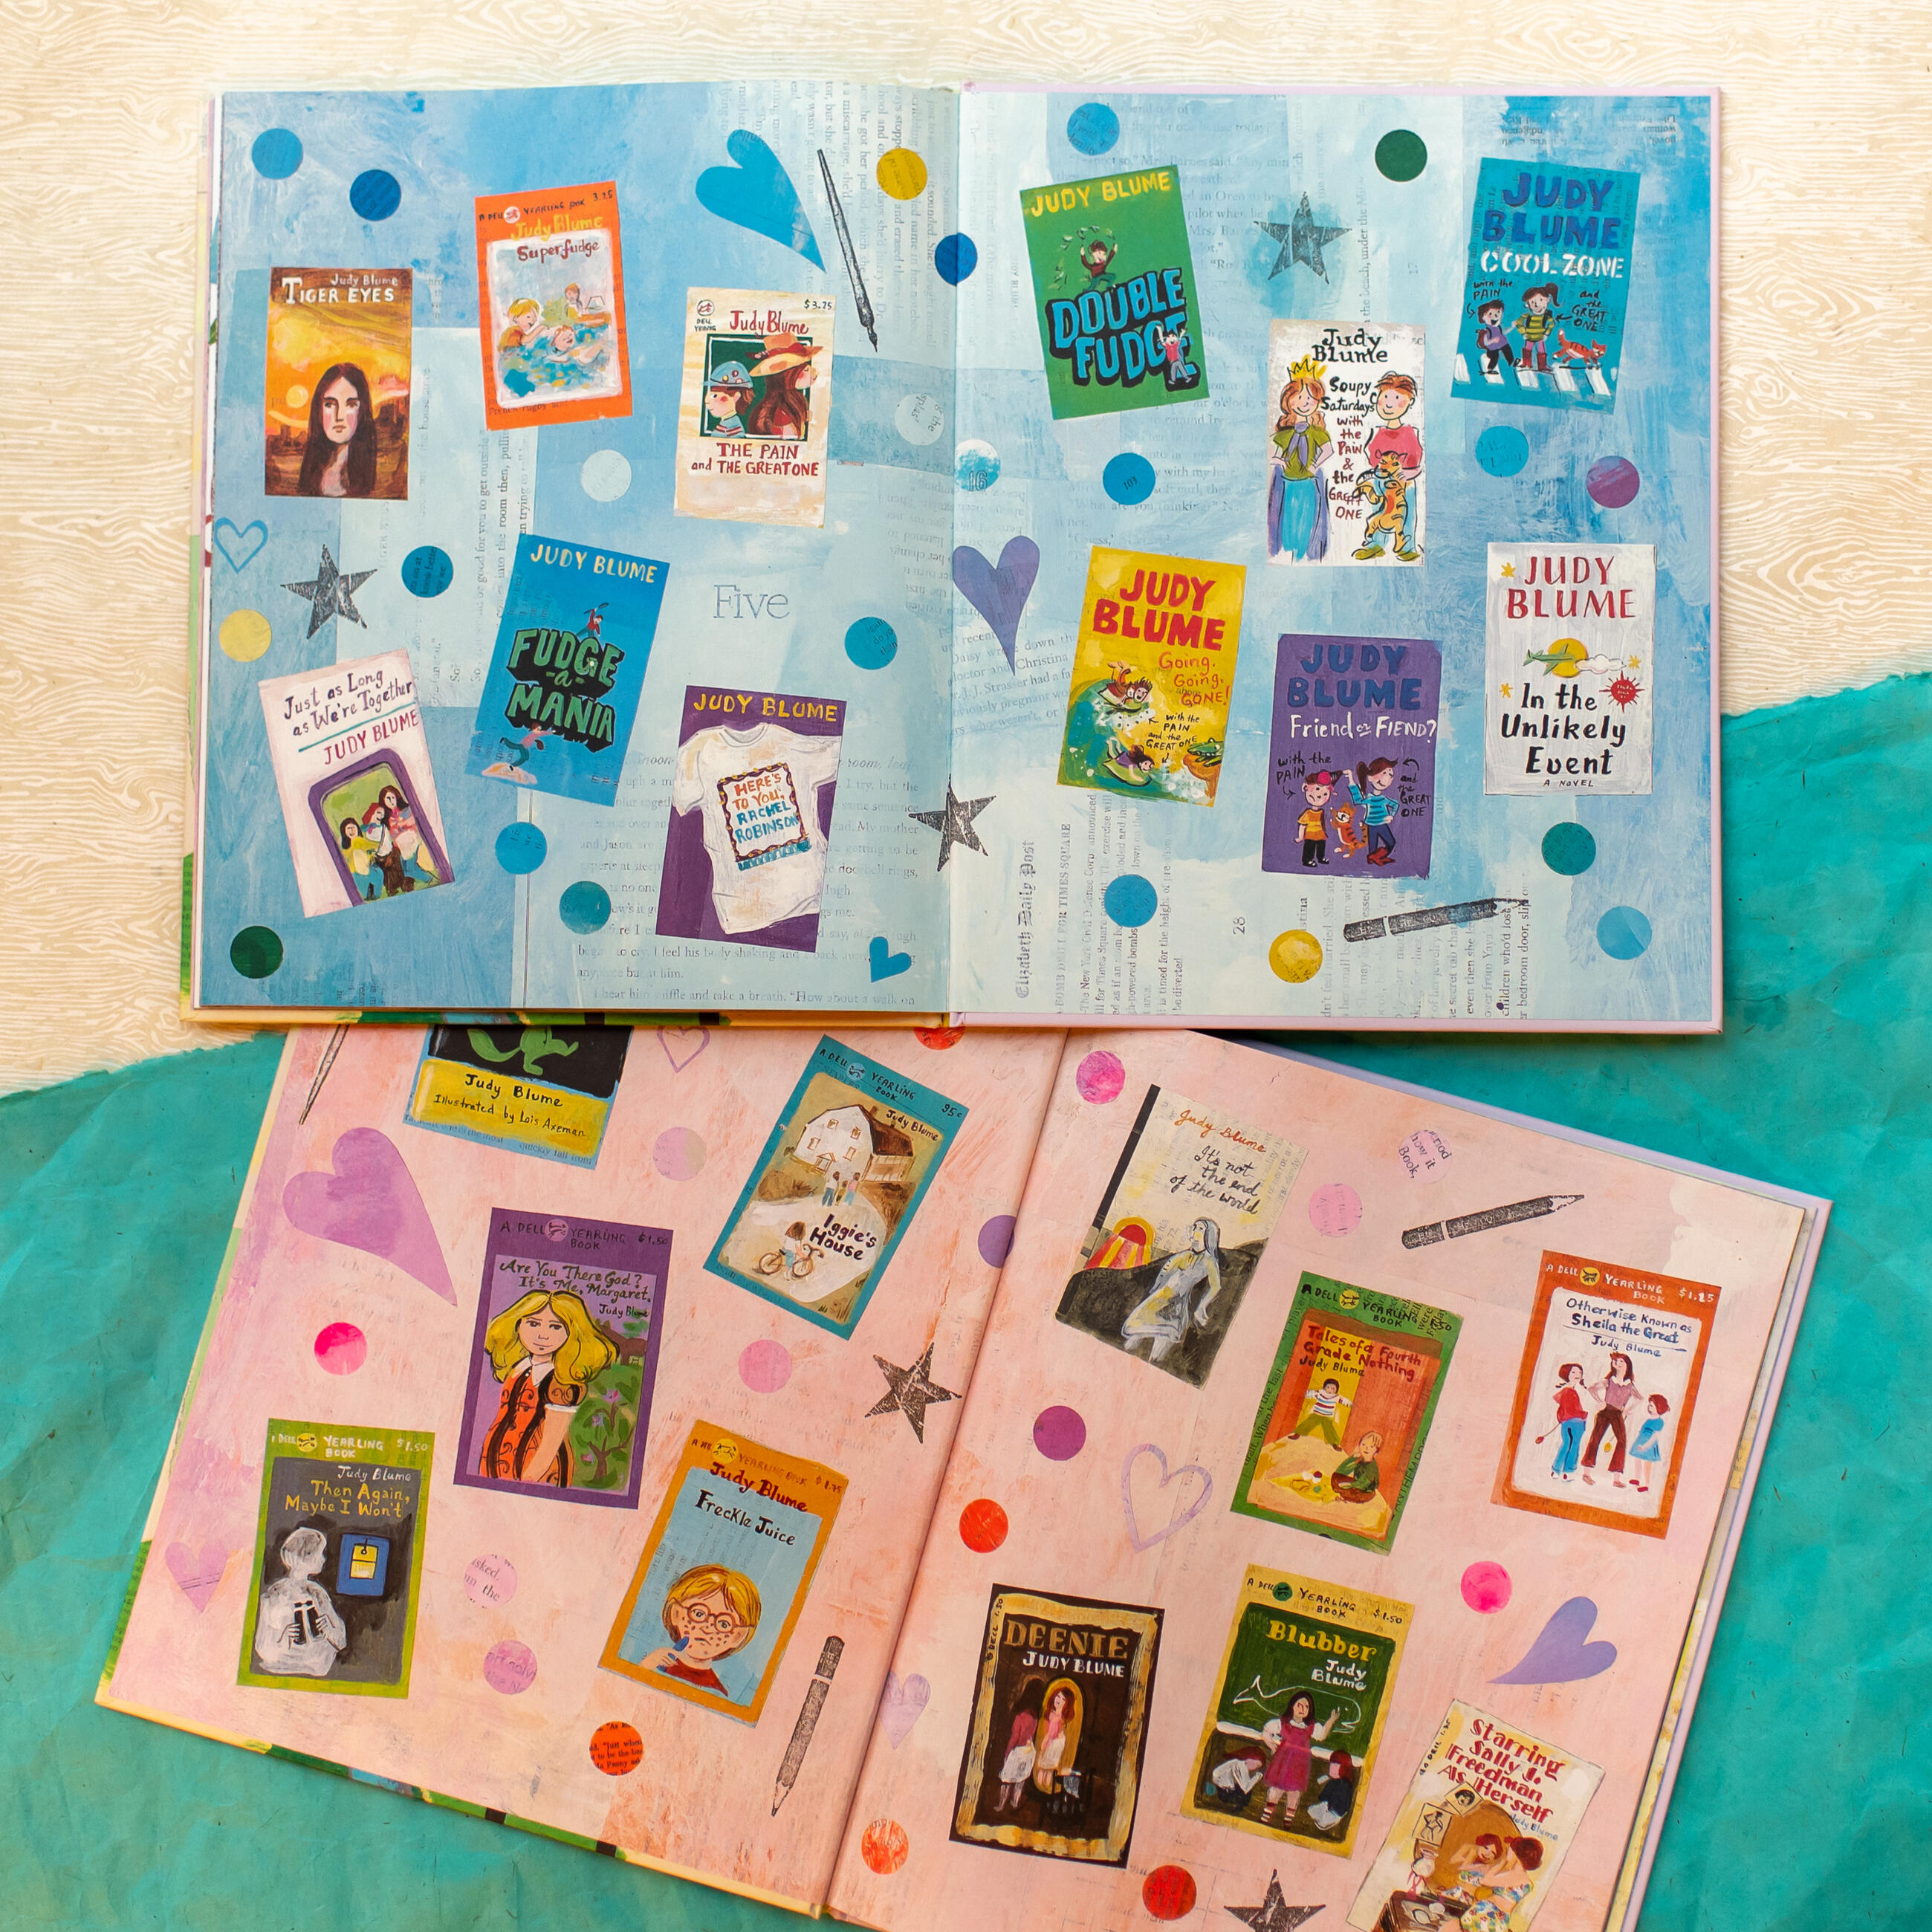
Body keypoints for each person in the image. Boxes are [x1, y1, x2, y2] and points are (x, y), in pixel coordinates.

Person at [477, 1288, 618, 1487]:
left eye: (555, 1327)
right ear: (518, 1325)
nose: (543, 1335)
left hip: (535, 1471)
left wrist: (528, 1480)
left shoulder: (562, 1384)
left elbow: (551, 1444)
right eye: (533, 1324)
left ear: (572, 1334)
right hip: (497, 1460)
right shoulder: (518, 1370)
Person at [630, 1563, 761, 1693]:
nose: (707, 1628)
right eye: (698, 1614)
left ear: (738, 1636)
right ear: (676, 1614)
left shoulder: (716, 1691)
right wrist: (646, 1666)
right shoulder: (656, 1663)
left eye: (723, 1624)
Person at [1121, 1219, 1223, 1364]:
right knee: (1133, 1336)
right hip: (1157, 1301)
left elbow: (1216, 1286)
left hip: (1175, 1306)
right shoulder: (1183, 1255)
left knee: (1159, 1351)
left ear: (1208, 1235)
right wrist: (1155, 1290)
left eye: (1200, 1229)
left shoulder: (1209, 1261)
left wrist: (1201, 1307)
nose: (1195, 1231)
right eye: (1194, 1227)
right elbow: (1164, 1275)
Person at [252, 1525, 348, 1677]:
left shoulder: (317, 1593)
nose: (323, 1560)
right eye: (320, 1554)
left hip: (318, 1666)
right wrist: (283, 1638)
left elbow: (342, 1641)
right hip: (282, 1667)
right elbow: (262, 1647)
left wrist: (329, 1629)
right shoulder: (276, 1596)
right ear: (305, 1557)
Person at [1268, 362, 1332, 561]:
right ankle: (1288, 555)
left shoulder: (1317, 432)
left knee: (1306, 523)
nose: (1306, 402)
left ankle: (1302, 556)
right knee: (1288, 523)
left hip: (1308, 483)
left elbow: (1328, 450)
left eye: (1311, 398)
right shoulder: (1285, 433)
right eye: (1301, 397)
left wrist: (1314, 466)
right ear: (1289, 401)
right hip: (1288, 484)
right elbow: (1275, 454)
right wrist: (1279, 462)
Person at [296, 362, 377, 498]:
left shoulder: (369, 480)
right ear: (318, 410)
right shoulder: (311, 475)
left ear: (362, 411)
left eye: (351, 405)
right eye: (330, 404)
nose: (339, 416)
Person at [1260, 1692, 1338, 1826]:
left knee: (1294, 1792)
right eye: (1299, 1705)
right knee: (1276, 1789)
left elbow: (1322, 1735)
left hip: (1299, 1765)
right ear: (1292, 1706)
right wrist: (1272, 1747)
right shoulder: (1283, 1723)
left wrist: (1331, 1720)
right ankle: (1266, 1815)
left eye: (1306, 1707)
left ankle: (1288, 1820)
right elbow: (1266, 1732)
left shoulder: (1310, 1727)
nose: (1302, 1709)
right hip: (1282, 1762)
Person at [1446, 1833, 1544, 1930]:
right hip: (1499, 1920)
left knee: (1452, 1925)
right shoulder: (1525, 1880)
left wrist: (1503, 1862)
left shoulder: (1514, 1875)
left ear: (1516, 1853)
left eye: (1510, 1849)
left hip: (1488, 1915)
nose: (1508, 1853)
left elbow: (1485, 1880)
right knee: (1454, 1925)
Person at [746, 331, 825, 438]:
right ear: (787, 376)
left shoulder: (794, 400)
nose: (815, 373)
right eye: (806, 370)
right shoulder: (780, 412)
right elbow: (790, 439)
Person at [1581, 1351, 1640, 1486]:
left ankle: (1616, 1478)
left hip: (1618, 1413)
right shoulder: (1609, 1381)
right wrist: (1600, 1402)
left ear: (1628, 1365)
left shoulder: (1630, 1385)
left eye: (1621, 1361)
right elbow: (1592, 1389)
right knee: (1595, 1439)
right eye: (1616, 1361)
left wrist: (1628, 1408)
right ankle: (1586, 1474)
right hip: (1606, 1410)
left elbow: (1639, 1398)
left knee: (1622, 1441)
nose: (1618, 1363)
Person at [1354, 450, 1419, 561]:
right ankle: (1375, 544)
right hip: (1383, 472)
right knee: (1377, 515)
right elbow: (1376, 499)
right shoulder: (1380, 472)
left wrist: (1414, 471)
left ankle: (1407, 549)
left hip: (1406, 471)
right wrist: (1367, 488)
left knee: (1406, 516)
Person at [994, 1678, 1045, 1811]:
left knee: (1007, 1780)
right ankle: (1015, 1803)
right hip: (1029, 1752)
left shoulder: (1021, 1716)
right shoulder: (1035, 1717)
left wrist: (1007, 1753)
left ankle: (1001, 1805)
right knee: (1020, 1781)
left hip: (1017, 1752)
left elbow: (1015, 1737)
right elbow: (1032, 1736)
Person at [376, 785, 438, 886]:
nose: (391, 801)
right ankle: (430, 880)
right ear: (383, 801)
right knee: (406, 871)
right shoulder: (388, 818)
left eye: (393, 797)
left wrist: (402, 824)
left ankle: (431, 880)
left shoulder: (406, 810)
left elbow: (414, 821)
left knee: (410, 869)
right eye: (388, 798)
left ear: (397, 798)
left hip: (412, 841)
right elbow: (392, 835)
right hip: (401, 846)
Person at [1537, 1362, 1589, 1479]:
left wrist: (1562, 1419)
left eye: (1580, 1372)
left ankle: (1556, 1471)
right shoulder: (1568, 1392)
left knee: (1567, 1444)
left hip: (1567, 1422)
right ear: (1567, 1374)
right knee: (1573, 1446)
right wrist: (1584, 1415)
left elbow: (1561, 1411)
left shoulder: (1569, 1391)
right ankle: (1567, 1472)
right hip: (1576, 1422)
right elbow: (1569, 1410)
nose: (1577, 1375)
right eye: (1574, 1372)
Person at [1344, 759, 1400, 866]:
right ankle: (1374, 858)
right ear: (1370, 778)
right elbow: (1357, 800)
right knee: (1372, 849)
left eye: (1390, 775)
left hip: (1382, 824)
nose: (1388, 777)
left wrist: (1391, 816)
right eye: (1384, 773)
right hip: (1371, 825)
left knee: (1391, 843)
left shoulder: (1383, 799)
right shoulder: (1369, 799)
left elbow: (1395, 805)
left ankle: (1377, 857)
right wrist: (1351, 777)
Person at [1031, 1683, 1077, 1795]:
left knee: (1048, 1768)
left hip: (1055, 1744)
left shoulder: (1060, 1718)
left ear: (1067, 1704)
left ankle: (1046, 1791)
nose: (1059, 1700)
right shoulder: (1051, 1714)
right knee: (1043, 1769)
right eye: (1058, 1696)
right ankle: (1042, 1789)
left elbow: (1052, 1734)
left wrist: (1045, 1744)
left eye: (1063, 1699)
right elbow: (1049, 1732)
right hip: (1052, 1742)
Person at [1291, 1377, 1351, 1450]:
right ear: (1324, 1387)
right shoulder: (1320, 1393)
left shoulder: (1336, 1397)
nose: (1330, 1390)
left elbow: (1344, 1401)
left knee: (1330, 1430)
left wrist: (1350, 1404)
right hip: (1317, 1414)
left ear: (1336, 1390)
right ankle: (1298, 1433)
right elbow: (1311, 1394)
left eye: (1333, 1389)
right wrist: (1306, 1393)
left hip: (1327, 1417)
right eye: (1328, 1387)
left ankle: (1335, 1443)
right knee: (1307, 1423)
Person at [1627, 1393, 1670, 1493]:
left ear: (1659, 1407)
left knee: (1647, 1464)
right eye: (1649, 1405)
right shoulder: (1648, 1420)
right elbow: (1642, 1431)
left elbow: (1655, 1436)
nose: (1649, 1408)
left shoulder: (1659, 1422)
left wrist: (1646, 1446)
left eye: (1652, 1406)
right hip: (1640, 1442)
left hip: (1649, 1445)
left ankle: (1646, 1484)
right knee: (1637, 1460)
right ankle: (1637, 1479)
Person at [1304, 1750, 1356, 1832]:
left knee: (1324, 1820)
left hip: (1336, 1812)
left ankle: (1324, 1821)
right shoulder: (1333, 1781)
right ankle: (1322, 1818)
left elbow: (1342, 1806)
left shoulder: (1345, 1785)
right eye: (1332, 1764)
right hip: (1327, 1806)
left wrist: (1328, 1807)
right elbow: (1324, 1796)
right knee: (1311, 1810)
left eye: (1336, 1765)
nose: (1332, 1768)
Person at [1511, 284, 1560, 372]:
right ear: (1528, 304)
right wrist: (1523, 332)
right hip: (1529, 337)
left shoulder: (1546, 316)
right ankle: (1526, 364)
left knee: (1541, 351)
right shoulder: (1527, 315)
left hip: (1540, 337)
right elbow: (1518, 323)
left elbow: (1551, 324)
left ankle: (1543, 366)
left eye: (1541, 300)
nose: (1537, 305)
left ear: (1547, 300)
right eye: (1533, 302)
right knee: (1527, 350)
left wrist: (1546, 334)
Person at [1330, 1431, 1384, 1503]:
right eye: (1363, 1444)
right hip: (1356, 1484)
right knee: (1336, 1477)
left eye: (1371, 1447)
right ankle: (1343, 1492)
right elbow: (1340, 1471)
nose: (1366, 1448)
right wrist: (1351, 1459)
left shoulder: (1371, 1468)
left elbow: (1363, 1484)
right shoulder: (1361, 1461)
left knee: (1350, 1492)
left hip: (1365, 1492)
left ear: (1377, 1450)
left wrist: (1349, 1485)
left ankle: (1343, 1495)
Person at [339, 816, 380, 900]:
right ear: (344, 832)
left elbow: (371, 846)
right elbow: (375, 845)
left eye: (353, 828)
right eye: (349, 828)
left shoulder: (356, 842)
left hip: (359, 872)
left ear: (357, 829)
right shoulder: (355, 842)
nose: (352, 831)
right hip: (358, 872)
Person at [1299, 771, 1335, 867]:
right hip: (1310, 836)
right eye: (1317, 789)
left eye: (1325, 793)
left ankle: (1321, 858)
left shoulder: (1322, 812)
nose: (1320, 795)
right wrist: (1300, 837)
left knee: (1321, 848)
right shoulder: (1308, 813)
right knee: (1309, 848)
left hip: (1320, 836)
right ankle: (1307, 860)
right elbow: (1302, 825)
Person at [1474, 297, 1515, 374]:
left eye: (1498, 313)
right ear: (1483, 317)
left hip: (1502, 343)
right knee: (1495, 357)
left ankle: (1512, 362)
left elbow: (1505, 332)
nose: (1495, 317)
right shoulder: (1487, 331)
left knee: (1508, 350)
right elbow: (1486, 343)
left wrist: (1512, 327)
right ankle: (1490, 369)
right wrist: (1493, 340)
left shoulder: (1498, 327)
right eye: (1490, 314)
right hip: (1493, 347)